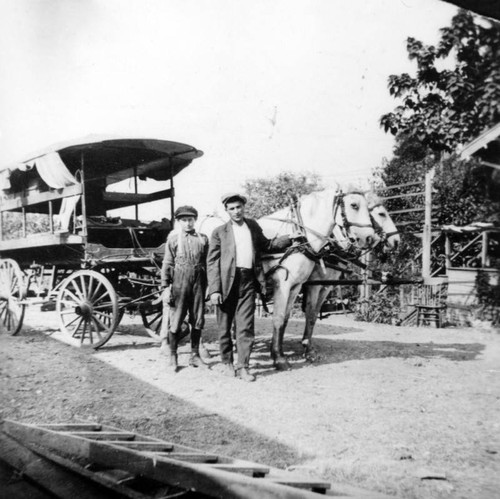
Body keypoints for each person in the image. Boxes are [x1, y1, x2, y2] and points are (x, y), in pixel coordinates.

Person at [207, 193, 293, 382]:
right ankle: (227, 363)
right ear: (227, 211)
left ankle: (243, 367)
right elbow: (212, 262)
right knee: (224, 327)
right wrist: (214, 289)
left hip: (248, 281)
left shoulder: (252, 226)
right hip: (225, 283)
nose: (236, 211)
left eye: (239, 207)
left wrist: (289, 239)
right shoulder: (219, 232)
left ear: (244, 207)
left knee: (245, 326)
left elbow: (267, 245)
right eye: (232, 208)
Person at [160, 205, 209, 372]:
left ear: (195, 220)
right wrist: (166, 287)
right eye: (184, 220)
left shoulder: (203, 239)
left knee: (198, 318)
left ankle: (195, 355)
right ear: (179, 222)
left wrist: (209, 286)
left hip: (199, 281)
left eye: (190, 219)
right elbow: (167, 263)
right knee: (176, 319)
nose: (188, 223)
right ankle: (173, 356)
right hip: (180, 282)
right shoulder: (173, 239)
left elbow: (209, 262)